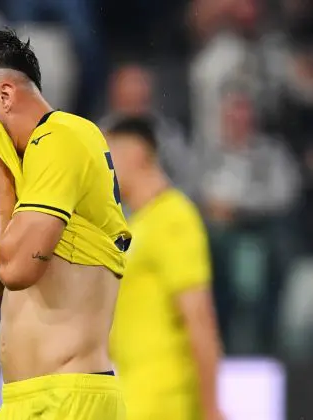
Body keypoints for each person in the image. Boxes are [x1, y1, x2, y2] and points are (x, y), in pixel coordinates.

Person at [0, 29, 131, 420]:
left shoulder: (63, 137)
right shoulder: (21, 176)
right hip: (24, 399)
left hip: (70, 395)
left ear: (5, 95)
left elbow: (18, 269)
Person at [106, 116, 224, 420]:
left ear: (134, 154)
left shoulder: (174, 216)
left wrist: (210, 408)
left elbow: (199, 318)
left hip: (165, 402)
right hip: (135, 398)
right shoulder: (137, 226)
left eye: (108, 155)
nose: (102, 168)